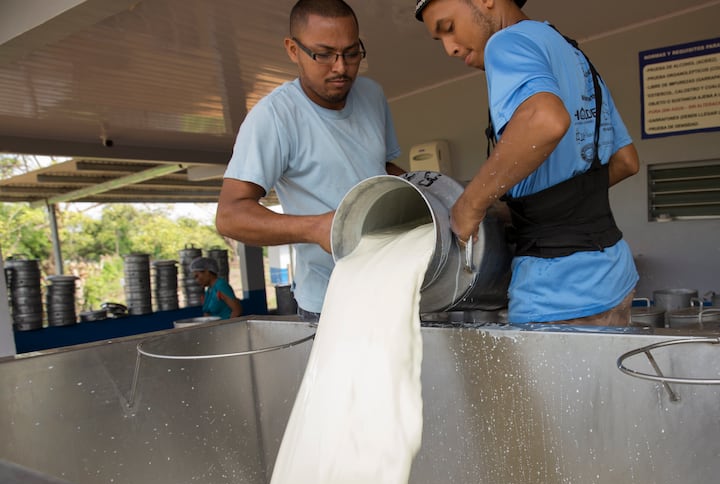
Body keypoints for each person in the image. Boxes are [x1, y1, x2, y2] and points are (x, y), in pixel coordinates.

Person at [415, 0, 640, 326]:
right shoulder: (573, 56)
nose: (449, 48)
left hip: (555, 291)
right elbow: (625, 161)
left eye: (448, 28)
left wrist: (470, 205)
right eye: (439, 41)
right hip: (614, 276)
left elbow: (545, 120)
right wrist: (525, 208)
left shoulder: (505, 43)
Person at [216, 0, 403, 322]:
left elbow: (380, 168)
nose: (341, 68)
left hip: (392, 288)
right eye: (324, 54)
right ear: (293, 50)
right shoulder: (274, 116)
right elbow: (230, 216)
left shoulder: (371, 94)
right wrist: (316, 227)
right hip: (330, 304)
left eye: (351, 52)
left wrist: (430, 193)